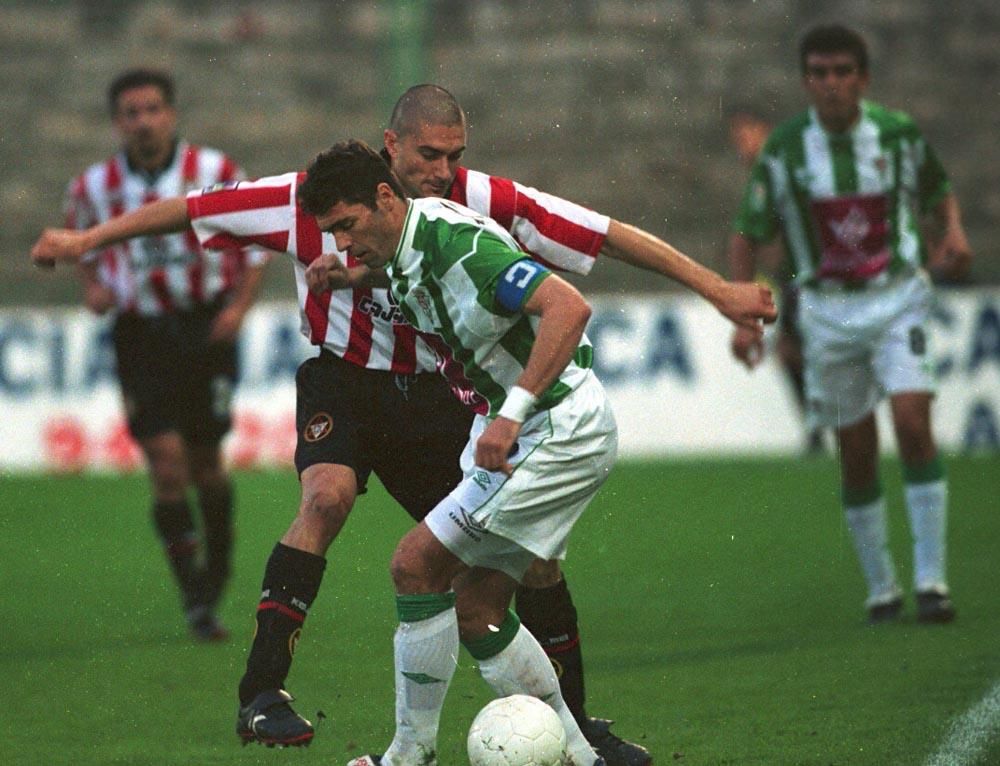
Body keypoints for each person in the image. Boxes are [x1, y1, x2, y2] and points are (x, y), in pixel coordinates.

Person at [32, 85, 775, 759]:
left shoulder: (477, 201)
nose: (444, 170)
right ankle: (261, 693)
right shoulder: (315, 198)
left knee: (523, 566)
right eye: (428, 154)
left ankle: (575, 726)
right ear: (391, 149)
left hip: (444, 400)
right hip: (344, 382)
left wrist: (716, 289)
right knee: (325, 499)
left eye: (455, 156)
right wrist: (84, 243)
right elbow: (193, 209)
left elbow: (601, 233)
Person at [295, 138, 770, 766]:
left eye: (348, 228)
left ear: (385, 197)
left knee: (415, 567)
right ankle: (578, 755)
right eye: (332, 235)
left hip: (553, 430)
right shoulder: (409, 241)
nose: (343, 244)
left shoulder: (459, 244)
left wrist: (512, 413)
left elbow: (568, 306)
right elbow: (407, 273)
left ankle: (410, 756)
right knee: (477, 607)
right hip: (534, 426)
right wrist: (353, 272)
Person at [725, 25, 972, 625]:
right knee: (855, 449)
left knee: (914, 423)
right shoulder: (785, 149)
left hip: (897, 299)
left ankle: (933, 581)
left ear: (862, 78)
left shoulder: (897, 134)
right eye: (819, 73)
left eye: (842, 72)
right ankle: (882, 587)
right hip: (828, 313)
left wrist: (954, 236)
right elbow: (747, 234)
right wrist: (745, 315)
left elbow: (938, 190)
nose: (831, 84)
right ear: (806, 80)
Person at [60, 68, 266, 641]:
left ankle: (218, 567)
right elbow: (83, 242)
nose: (143, 121)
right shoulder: (94, 187)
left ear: (170, 114)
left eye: (153, 109)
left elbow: (255, 244)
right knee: (166, 463)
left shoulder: (217, 172)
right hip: (141, 334)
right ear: (117, 122)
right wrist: (92, 286)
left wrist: (240, 309)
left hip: (207, 329)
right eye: (132, 112)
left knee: (206, 464)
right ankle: (195, 596)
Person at [726, 105, 826, 455]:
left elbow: (743, 239)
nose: (742, 145)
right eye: (737, 138)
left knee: (794, 351)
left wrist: (743, 310)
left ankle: (820, 425)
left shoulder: (779, 165)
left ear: (766, 130)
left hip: (817, 274)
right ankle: (819, 425)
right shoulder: (780, 166)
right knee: (792, 351)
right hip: (800, 274)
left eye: (746, 134)